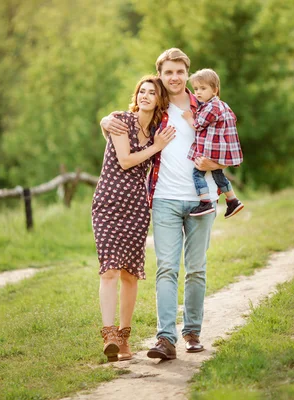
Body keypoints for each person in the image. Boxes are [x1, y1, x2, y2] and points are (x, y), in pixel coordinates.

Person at [101, 48, 226, 360]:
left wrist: (214, 162)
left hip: (202, 198)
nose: (175, 77)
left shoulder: (207, 106)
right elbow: (127, 120)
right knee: (167, 268)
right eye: (168, 72)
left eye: (180, 72)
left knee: (196, 269)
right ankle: (166, 339)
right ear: (160, 75)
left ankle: (193, 332)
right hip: (164, 199)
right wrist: (106, 120)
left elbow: (229, 142)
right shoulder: (157, 107)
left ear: (187, 73)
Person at [92, 76, 175, 362]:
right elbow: (126, 159)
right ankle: (109, 334)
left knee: (129, 274)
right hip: (108, 203)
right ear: (136, 95)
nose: (145, 95)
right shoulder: (120, 120)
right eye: (142, 91)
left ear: (159, 100)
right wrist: (155, 148)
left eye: (152, 92)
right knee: (109, 270)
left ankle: (125, 338)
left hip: (137, 207)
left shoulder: (158, 131)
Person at [182, 68, 244, 218]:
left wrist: (189, 117)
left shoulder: (211, 107)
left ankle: (205, 202)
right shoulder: (223, 105)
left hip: (210, 150)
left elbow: (198, 125)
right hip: (220, 149)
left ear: (215, 90)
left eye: (203, 88)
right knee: (218, 174)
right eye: (196, 89)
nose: (198, 92)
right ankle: (233, 199)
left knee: (197, 173)